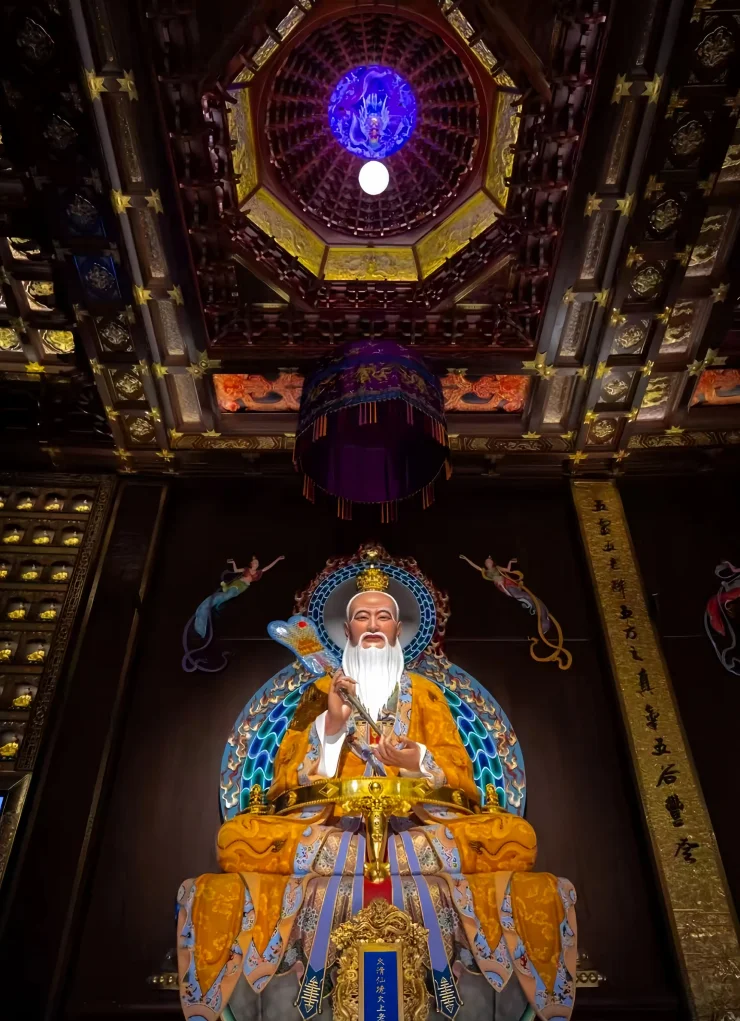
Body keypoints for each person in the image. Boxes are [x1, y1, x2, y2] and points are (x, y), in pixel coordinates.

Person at [177, 577, 577, 1021]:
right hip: (333, 832)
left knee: (513, 834)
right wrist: (331, 728)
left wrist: (415, 760)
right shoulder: (320, 693)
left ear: (398, 630)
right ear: (346, 630)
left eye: (383, 617)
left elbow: (460, 774)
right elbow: (286, 781)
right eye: (362, 617)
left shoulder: (425, 693)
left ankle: (381, 860)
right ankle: (371, 861)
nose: (372, 625)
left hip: (416, 832)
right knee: (239, 837)